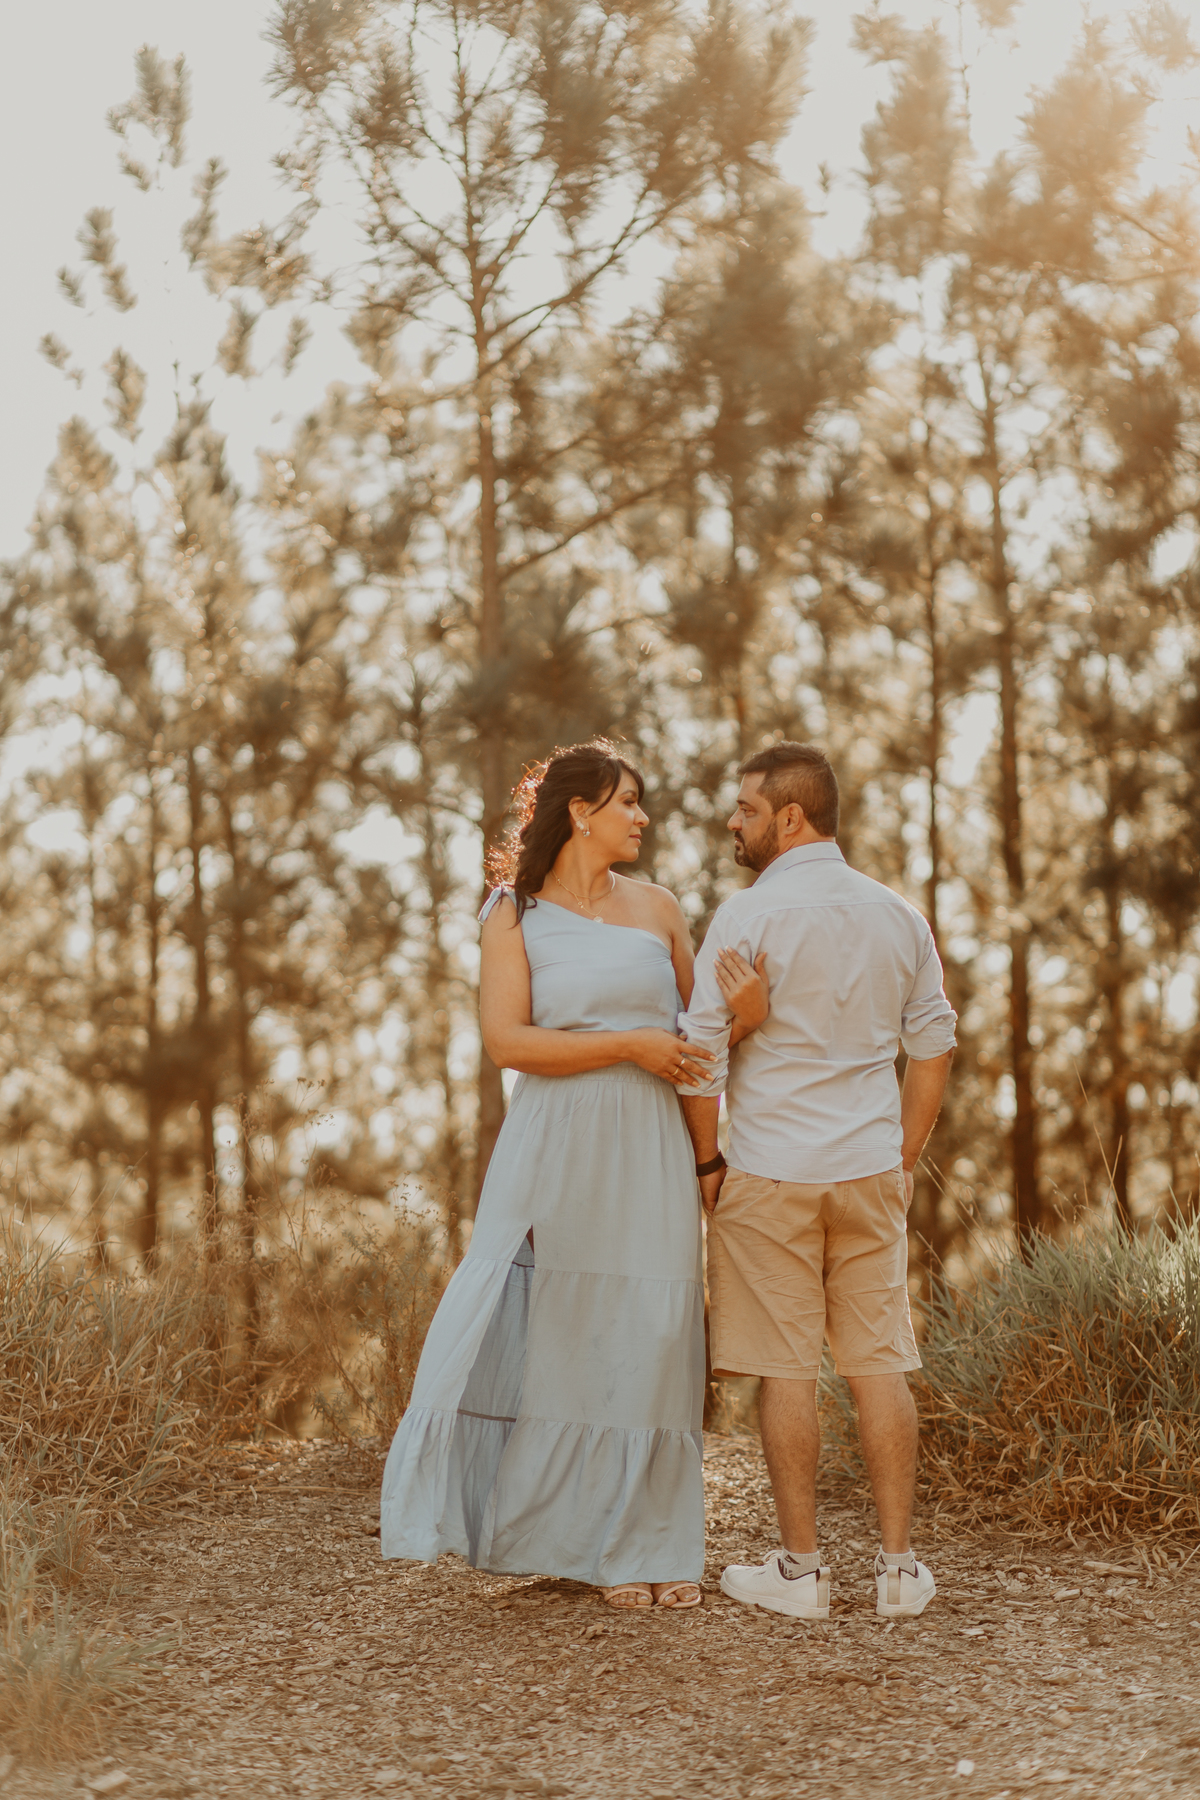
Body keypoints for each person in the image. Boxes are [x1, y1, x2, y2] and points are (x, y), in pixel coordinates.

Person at [379, 741, 768, 1610]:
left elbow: (692, 1045)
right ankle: (575, 1543)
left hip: (650, 1144)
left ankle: (656, 1541)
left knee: (656, 1327)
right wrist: (628, 1043)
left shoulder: (662, 909)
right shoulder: (511, 914)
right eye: (627, 801)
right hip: (555, 1142)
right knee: (566, 1333)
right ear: (581, 811)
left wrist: (738, 1028)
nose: (642, 817)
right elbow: (509, 1043)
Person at [674, 741, 956, 1621]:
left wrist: (708, 1162)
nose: (734, 822)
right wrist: (903, 1156)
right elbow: (935, 1048)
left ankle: (800, 1575)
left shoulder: (745, 917)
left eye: (747, 810)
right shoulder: (897, 915)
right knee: (880, 1364)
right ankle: (900, 1571)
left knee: (785, 1368)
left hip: (767, 1172)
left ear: (790, 817)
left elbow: (698, 1060)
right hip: (868, 1169)